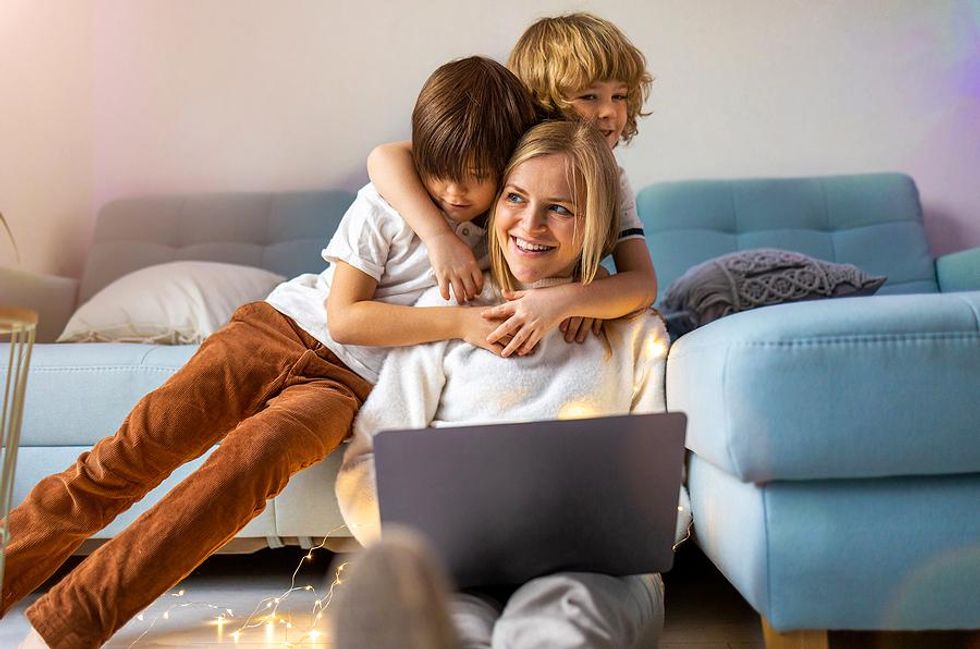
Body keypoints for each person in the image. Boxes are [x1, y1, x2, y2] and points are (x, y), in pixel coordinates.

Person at [2, 56, 538, 649]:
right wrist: (456, 309)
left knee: (232, 481)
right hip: (274, 331)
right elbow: (347, 318)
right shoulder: (388, 205)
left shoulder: (508, 235)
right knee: (127, 457)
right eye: (440, 171)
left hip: (343, 389)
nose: (454, 190)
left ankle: (67, 627)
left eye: (475, 174)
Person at [334, 120, 690, 649]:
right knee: (451, 622)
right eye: (515, 198)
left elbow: (668, 490)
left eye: (561, 209)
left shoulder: (636, 332)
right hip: (455, 568)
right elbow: (367, 462)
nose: (530, 224)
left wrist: (645, 530)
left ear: (598, 224)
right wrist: (415, 545)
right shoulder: (447, 312)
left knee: (567, 616)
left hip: (596, 573)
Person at [366, 12, 657, 358]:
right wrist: (438, 237)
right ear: (543, 98)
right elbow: (384, 157)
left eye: (620, 96)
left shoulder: (613, 180)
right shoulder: (502, 152)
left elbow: (642, 282)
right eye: (590, 96)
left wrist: (574, 296)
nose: (609, 112)